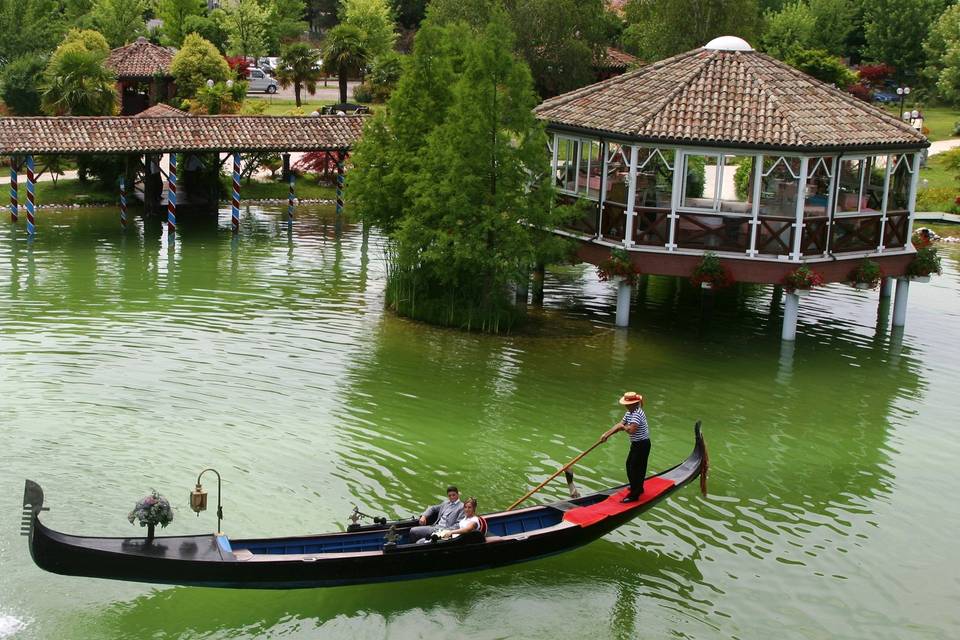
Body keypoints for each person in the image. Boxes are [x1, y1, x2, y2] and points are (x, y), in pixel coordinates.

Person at [600, 391, 651, 503]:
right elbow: (620, 424)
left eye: (627, 404)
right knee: (630, 465)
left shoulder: (637, 413)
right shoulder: (629, 413)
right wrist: (606, 435)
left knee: (635, 468)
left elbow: (631, 430)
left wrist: (623, 427)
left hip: (642, 444)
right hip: (636, 444)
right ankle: (637, 487)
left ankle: (634, 495)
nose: (625, 406)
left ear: (633, 403)